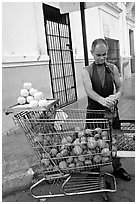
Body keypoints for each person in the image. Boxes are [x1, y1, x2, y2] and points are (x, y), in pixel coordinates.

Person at [82, 38, 131, 181]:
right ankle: (95, 169)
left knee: (114, 140)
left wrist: (116, 96)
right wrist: (102, 100)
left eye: (104, 54)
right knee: (93, 141)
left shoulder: (113, 68)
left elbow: (121, 87)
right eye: (98, 55)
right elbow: (89, 91)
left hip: (111, 111)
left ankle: (117, 167)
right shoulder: (86, 71)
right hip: (94, 111)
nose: (102, 58)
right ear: (92, 53)